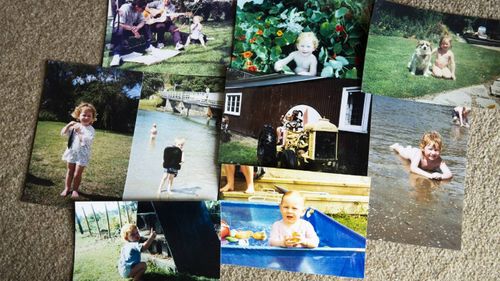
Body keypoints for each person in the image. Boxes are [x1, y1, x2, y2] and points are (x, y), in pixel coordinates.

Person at [60, 103, 97, 199]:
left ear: (93, 118)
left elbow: (86, 141)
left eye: (89, 116)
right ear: (78, 116)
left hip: (82, 155)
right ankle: (67, 188)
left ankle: (75, 190)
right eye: (84, 115)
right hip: (72, 152)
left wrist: (79, 132)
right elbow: (63, 133)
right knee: (69, 171)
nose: (86, 117)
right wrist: (69, 125)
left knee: (77, 173)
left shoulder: (91, 129)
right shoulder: (75, 125)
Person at [110, 0, 156, 67]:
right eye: (143, 8)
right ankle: (117, 55)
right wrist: (132, 28)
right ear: (137, 6)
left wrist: (137, 28)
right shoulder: (125, 8)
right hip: (118, 29)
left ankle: (148, 46)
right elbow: (119, 24)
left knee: (146, 25)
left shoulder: (138, 10)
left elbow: (143, 21)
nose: (144, 10)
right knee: (120, 29)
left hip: (130, 28)